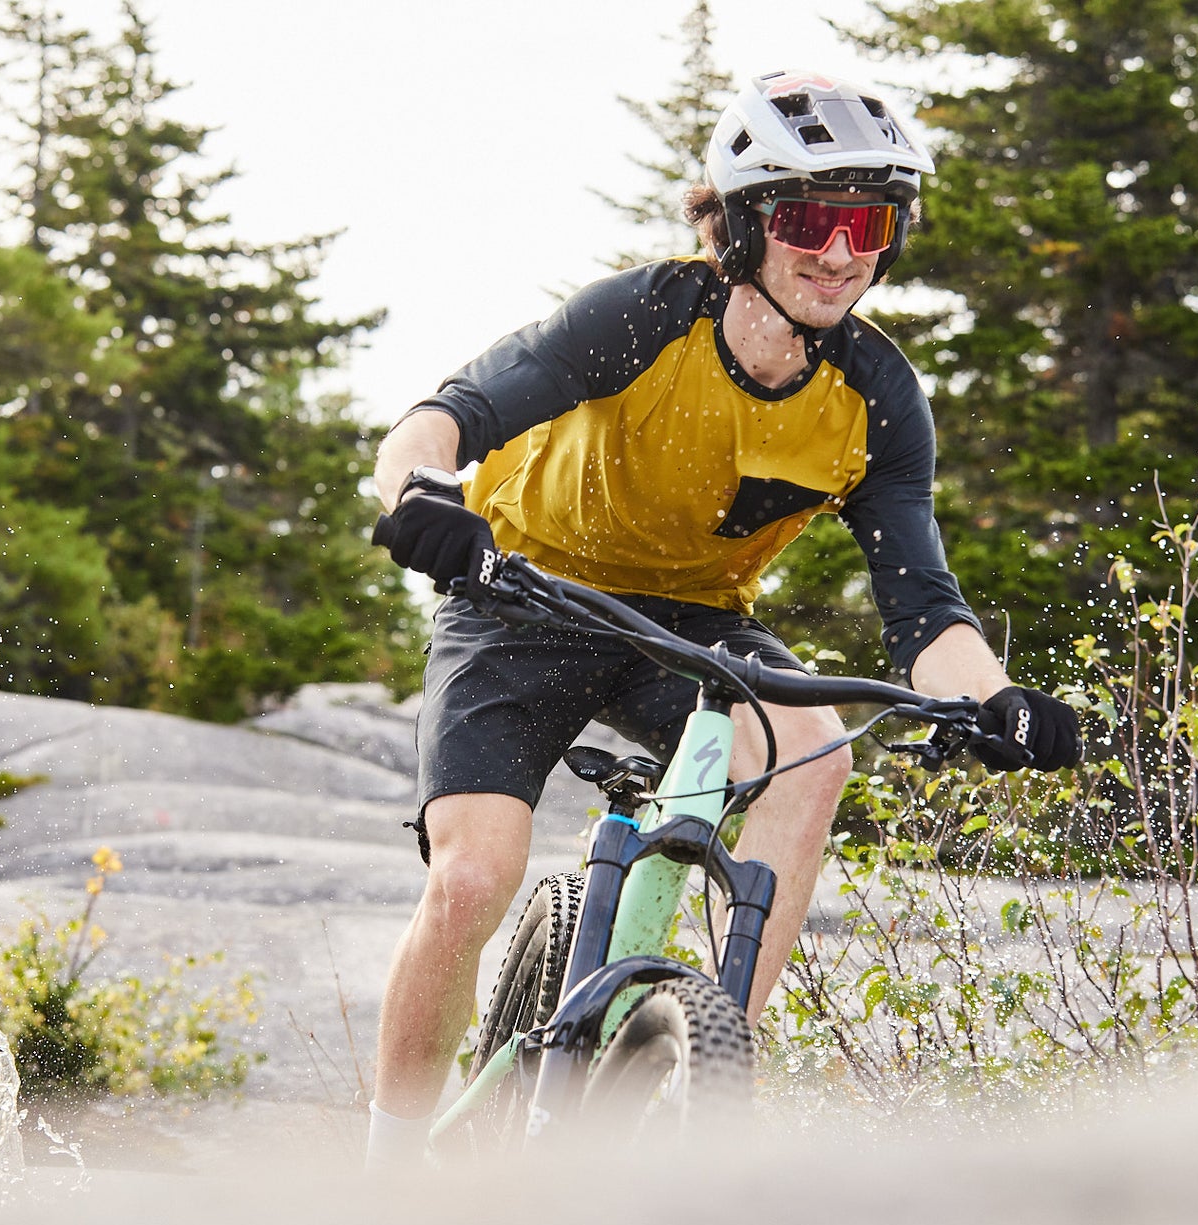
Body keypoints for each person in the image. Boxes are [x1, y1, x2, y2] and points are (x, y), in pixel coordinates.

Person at [363, 71, 1081, 1163]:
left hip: (693, 623)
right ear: (743, 225)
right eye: (808, 218)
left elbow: (922, 607)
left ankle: (711, 1050)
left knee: (813, 747)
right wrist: (421, 499)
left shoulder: (876, 395)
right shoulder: (643, 316)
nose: (840, 252)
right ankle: (384, 1165)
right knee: (470, 877)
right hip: (522, 594)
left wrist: (989, 696)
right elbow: (433, 423)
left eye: (868, 223)